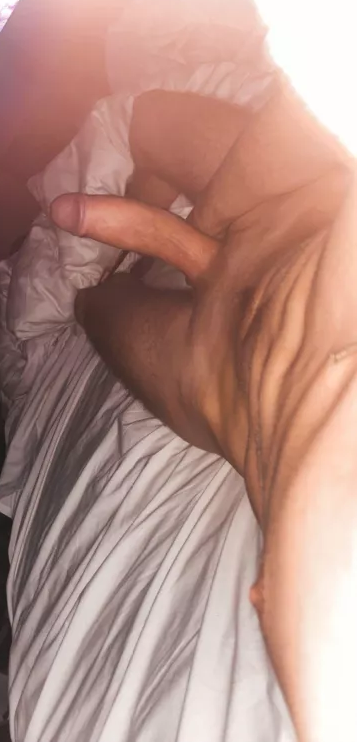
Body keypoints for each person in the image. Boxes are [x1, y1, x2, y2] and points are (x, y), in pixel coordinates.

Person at [52, 81, 357, 742]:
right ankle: (157, 220)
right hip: (302, 206)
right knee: (147, 119)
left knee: (91, 302)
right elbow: (324, 89)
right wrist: (211, 222)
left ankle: (136, 250)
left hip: (222, 389)